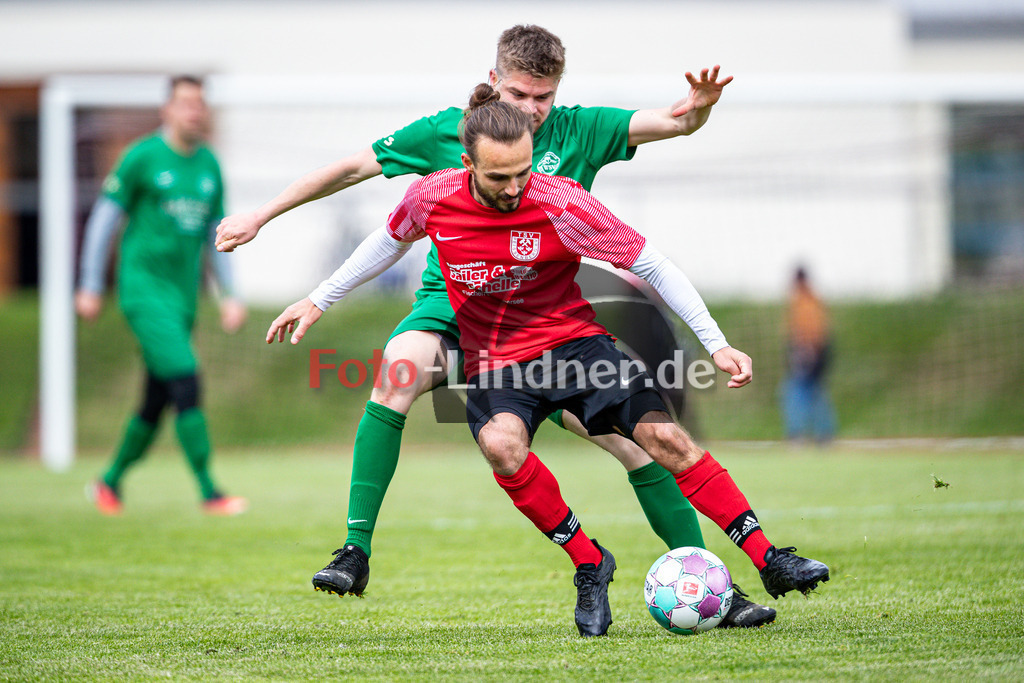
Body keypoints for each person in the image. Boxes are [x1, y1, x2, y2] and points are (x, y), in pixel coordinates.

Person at [219, 25, 776, 627]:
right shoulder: (449, 131)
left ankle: (712, 588)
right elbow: (354, 168)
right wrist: (263, 213)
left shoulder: (582, 128)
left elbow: (672, 123)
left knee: (639, 446)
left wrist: (698, 113)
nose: (531, 110)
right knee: (396, 372)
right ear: (493, 83)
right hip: (449, 306)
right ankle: (354, 551)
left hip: (542, 318)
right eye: (518, 95)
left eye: (544, 97)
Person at [77, 75, 248, 516]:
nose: (194, 111)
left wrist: (229, 294)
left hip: (183, 299)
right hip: (144, 292)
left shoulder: (209, 164)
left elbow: (219, 234)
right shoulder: (142, 157)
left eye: (199, 103)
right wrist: (91, 284)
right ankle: (210, 491)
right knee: (187, 378)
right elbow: (103, 220)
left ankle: (108, 482)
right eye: (185, 103)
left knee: (156, 400)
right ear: (166, 110)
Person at [782, 266, 837, 442]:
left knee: (795, 392)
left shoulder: (805, 303)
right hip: (816, 354)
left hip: (808, 354)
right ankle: (824, 434)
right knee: (815, 393)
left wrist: (806, 352)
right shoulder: (813, 300)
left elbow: (811, 332)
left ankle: (798, 433)